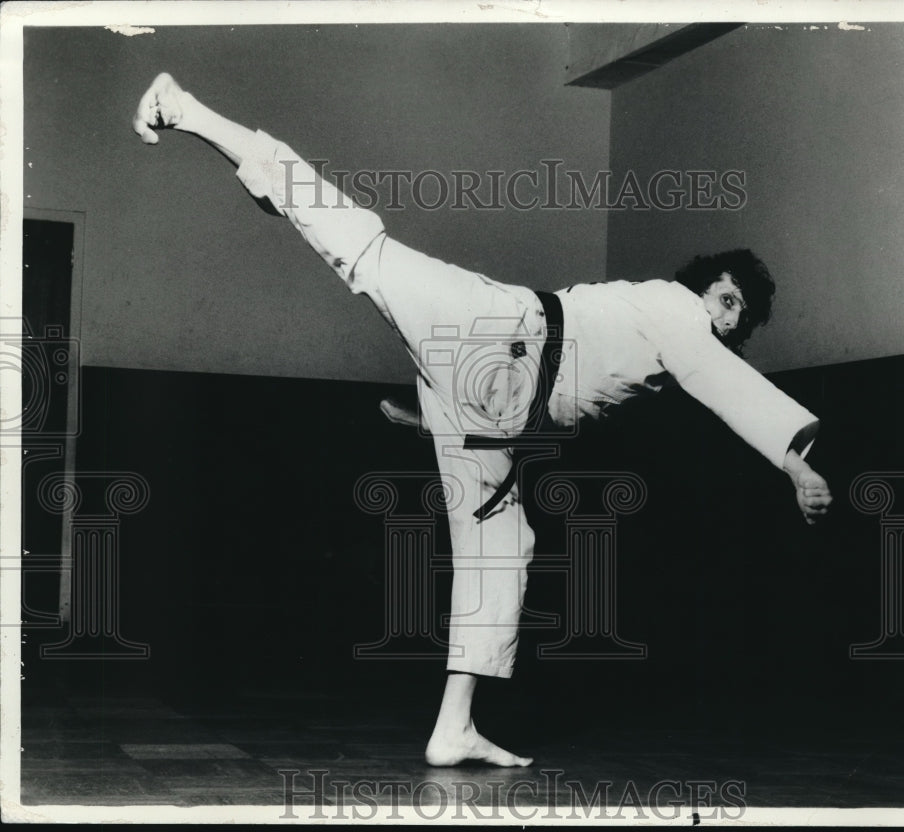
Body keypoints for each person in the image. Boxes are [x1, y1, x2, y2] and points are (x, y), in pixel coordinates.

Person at [132, 72, 833, 769]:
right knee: (361, 247)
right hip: (497, 328)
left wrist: (447, 416)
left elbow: (587, 397)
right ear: (702, 288)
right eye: (723, 295)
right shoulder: (678, 313)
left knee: (504, 546)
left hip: (497, 404)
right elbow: (725, 385)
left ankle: (454, 727)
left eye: (736, 312)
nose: (721, 312)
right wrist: (793, 459)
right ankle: (186, 108)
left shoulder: (667, 348)